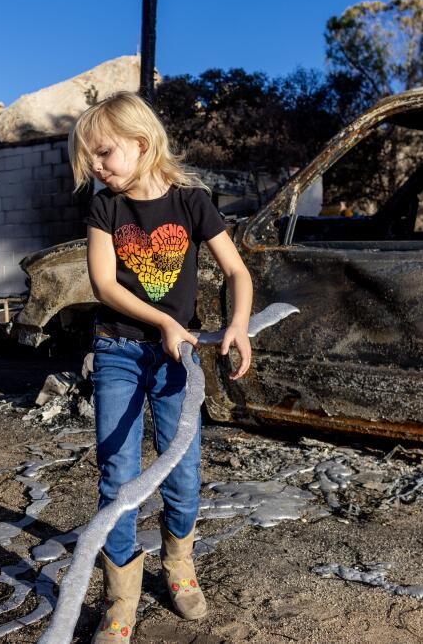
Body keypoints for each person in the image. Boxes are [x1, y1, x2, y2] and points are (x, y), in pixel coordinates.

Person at [69, 92, 254, 642]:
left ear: (141, 143)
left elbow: (237, 272)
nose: (98, 169)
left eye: (103, 155)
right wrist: (164, 321)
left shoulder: (193, 203)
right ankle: (120, 597)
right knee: (118, 477)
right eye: (91, 161)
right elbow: (104, 285)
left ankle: (177, 566)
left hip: (178, 359)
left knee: (183, 472)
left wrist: (238, 324)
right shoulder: (105, 208)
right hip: (118, 352)